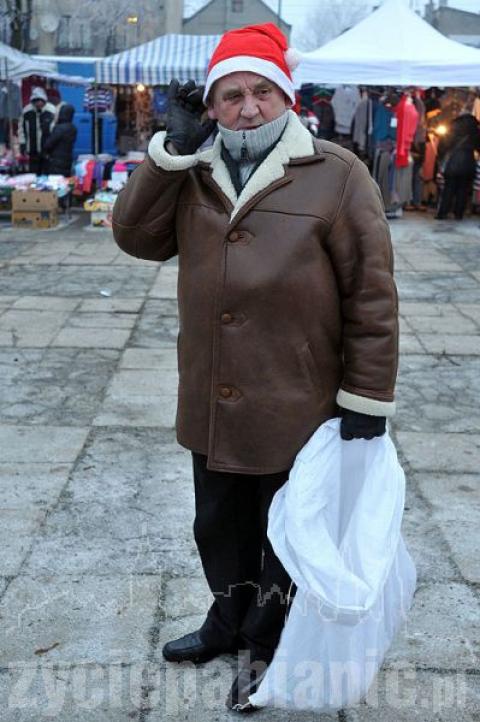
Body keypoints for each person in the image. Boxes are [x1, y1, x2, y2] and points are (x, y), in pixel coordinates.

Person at [112, 23, 398, 714]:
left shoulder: (335, 173)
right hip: (212, 394)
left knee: (284, 530)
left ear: (286, 96)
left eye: (262, 92)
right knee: (217, 522)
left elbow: (371, 291)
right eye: (231, 95)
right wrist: (169, 153)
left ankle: (269, 642)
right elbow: (134, 235)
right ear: (211, 106)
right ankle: (225, 619)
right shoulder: (193, 171)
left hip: (295, 397)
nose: (247, 107)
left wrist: (366, 395)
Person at [436, 109, 480, 220]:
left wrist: (441, 156)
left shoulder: (454, 126)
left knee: (448, 188)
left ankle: (443, 213)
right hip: (469, 162)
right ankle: (458, 213)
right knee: (463, 189)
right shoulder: (475, 129)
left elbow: (444, 144)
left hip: (453, 162)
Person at [19, 87, 56, 175]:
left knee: (47, 172)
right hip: (32, 148)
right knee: (33, 173)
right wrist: (22, 143)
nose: (38, 103)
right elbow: (21, 128)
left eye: (40, 101)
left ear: (44, 100)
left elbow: (55, 130)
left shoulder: (51, 110)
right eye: (36, 101)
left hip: (47, 149)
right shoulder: (26, 111)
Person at [43, 103, 77, 176]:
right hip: (67, 159)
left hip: (56, 160)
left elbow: (48, 144)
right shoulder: (73, 128)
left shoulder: (59, 128)